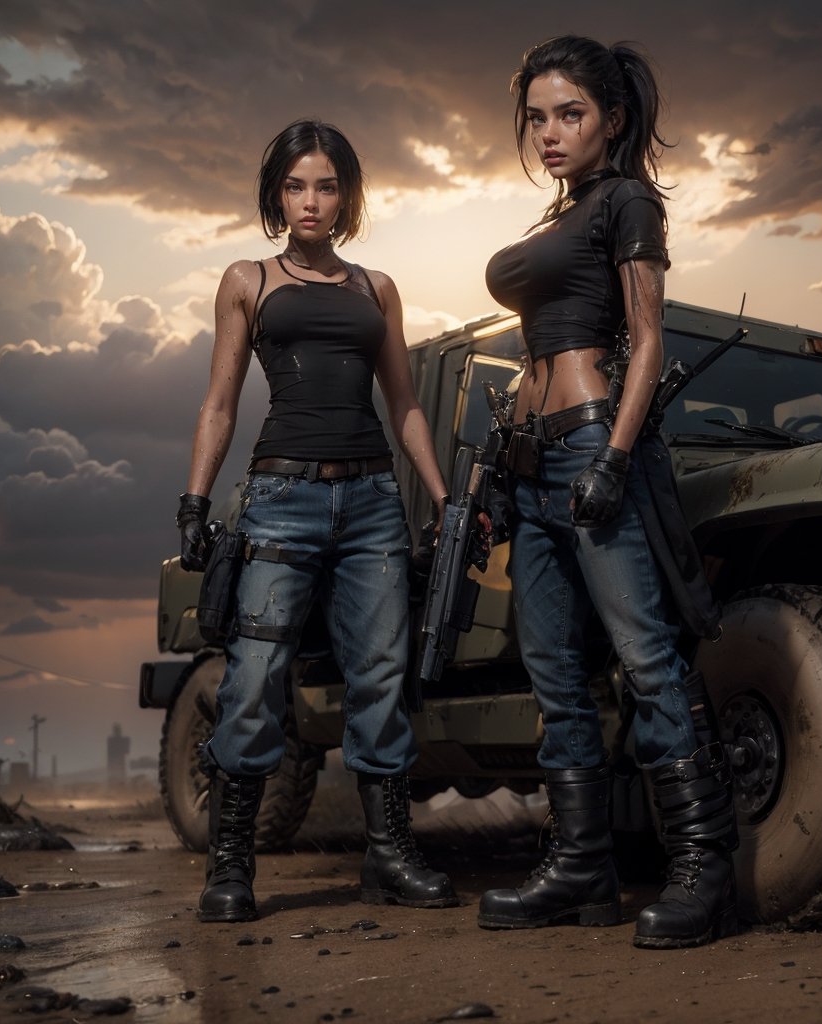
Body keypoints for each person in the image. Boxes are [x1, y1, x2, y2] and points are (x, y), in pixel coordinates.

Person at [476, 35, 739, 950]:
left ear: (612, 120)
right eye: (538, 117)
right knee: (555, 671)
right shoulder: (560, 216)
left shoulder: (627, 201)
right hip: (531, 462)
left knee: (648, 658)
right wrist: (511, 465)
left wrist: (615, 459)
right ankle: (581, 866)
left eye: (570, 114)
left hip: (592, 446)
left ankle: (706, 872)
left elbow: (649, 340)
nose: (550, 132)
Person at [176, 119, 457, 923]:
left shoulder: (377, 289)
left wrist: (439, 497)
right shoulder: (248, 280)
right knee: (257, 680)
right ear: (275, 194)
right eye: (296, 185)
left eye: (327, 185)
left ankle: (391, 856)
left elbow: (402, 403)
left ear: (347, 196)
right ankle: (231, 866)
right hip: (281, 499)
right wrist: (195, 499)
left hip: (372, 503)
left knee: (380, 677)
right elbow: (221, 401)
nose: (312, 200)